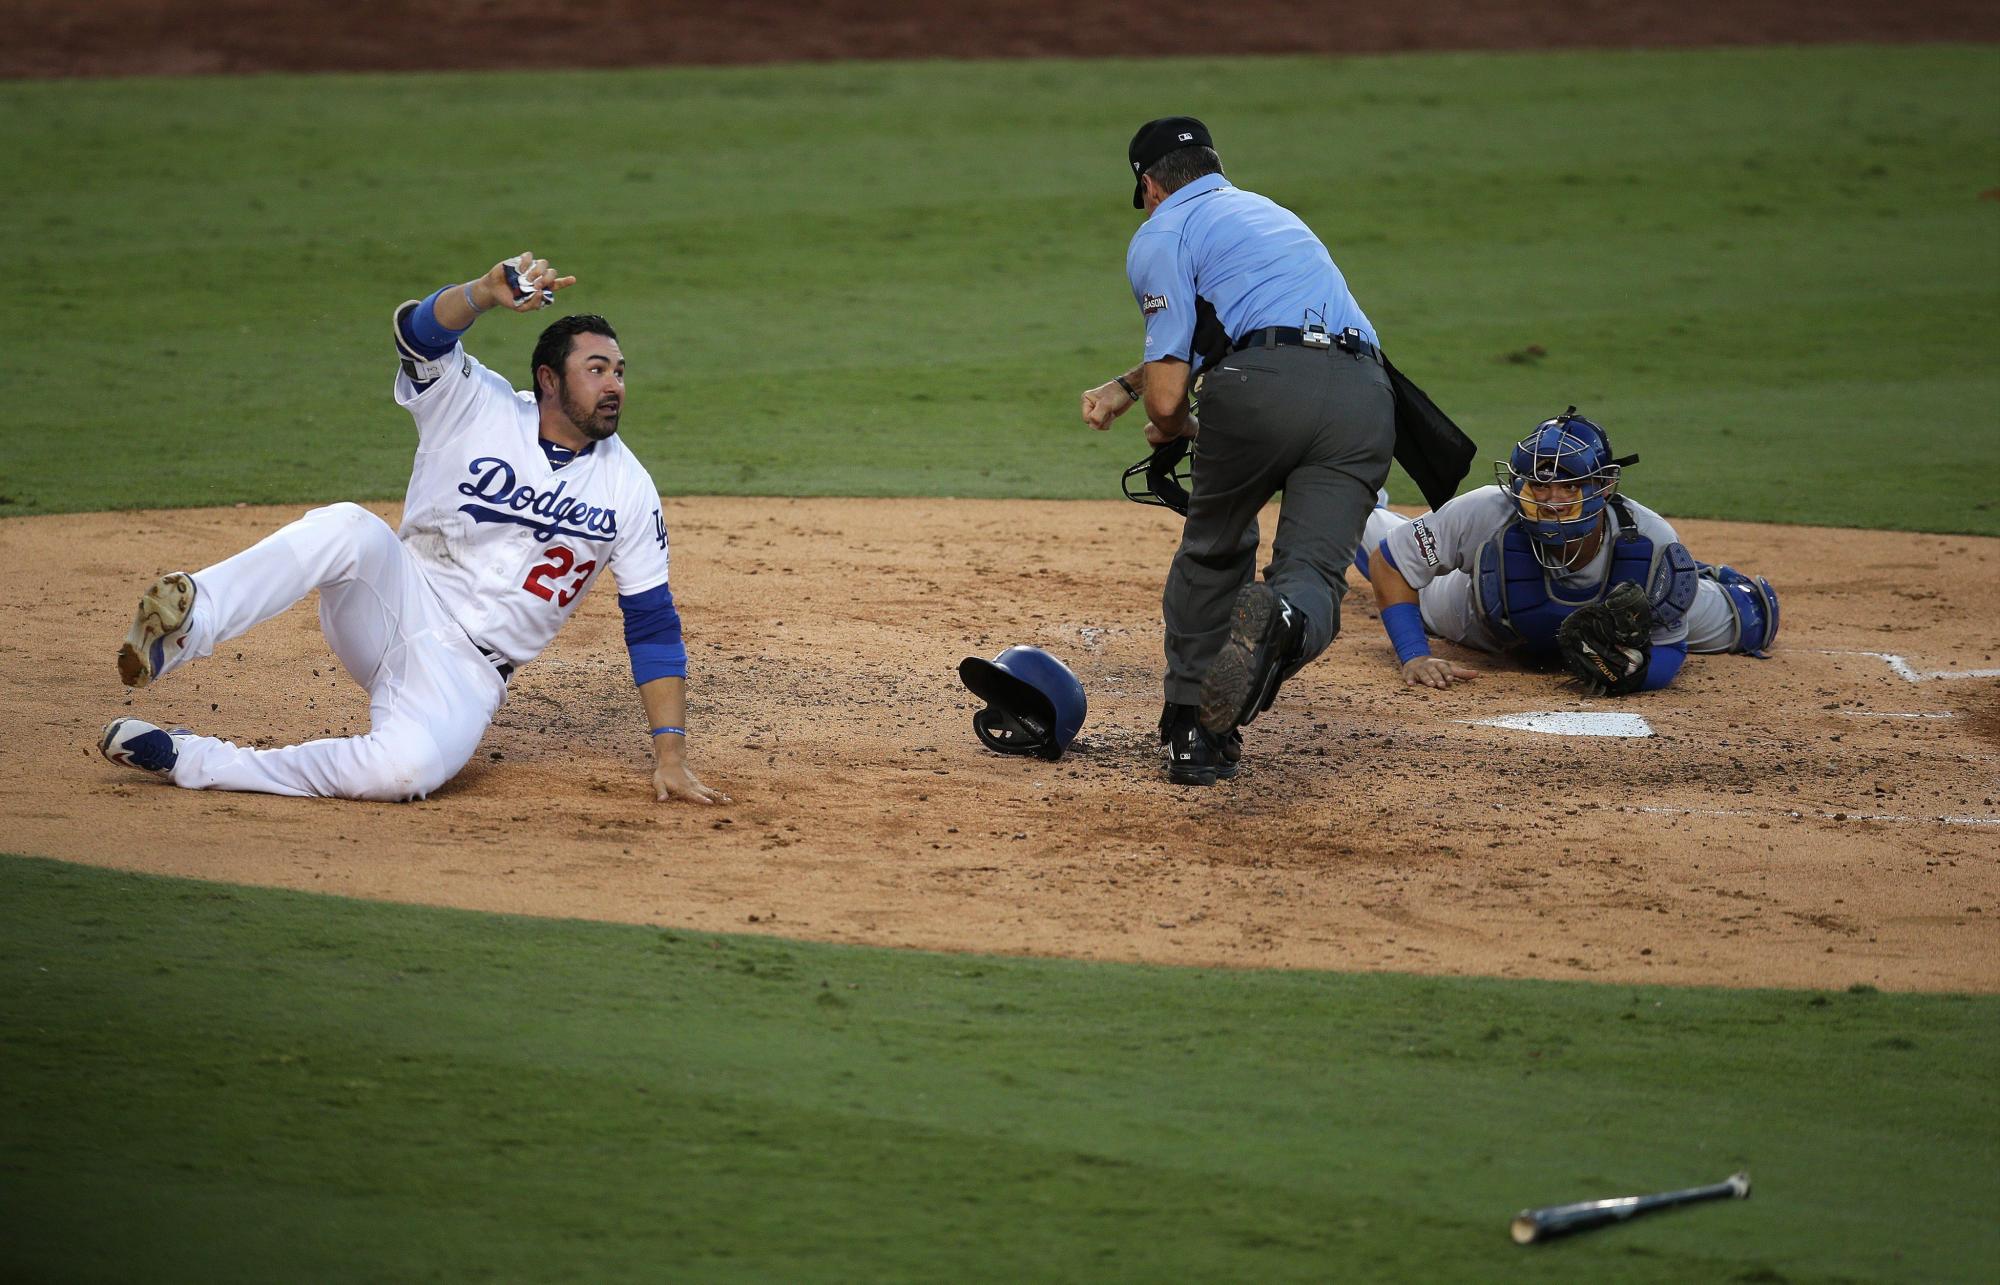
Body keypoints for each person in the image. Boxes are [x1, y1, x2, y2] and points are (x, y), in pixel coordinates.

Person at [99, 251, 728, 805]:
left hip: (468, 676)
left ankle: (192, 760)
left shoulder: (630, 489)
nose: (615, 384)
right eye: (597, 369)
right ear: (548, 379)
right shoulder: (475, 405)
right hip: (394, 602)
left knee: (402, 772)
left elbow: (652, 624)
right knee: (348, 527)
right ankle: (192, 623)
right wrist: (481, 294)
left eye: (619, 371)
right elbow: (418, 338)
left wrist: (671, 754)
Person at [1081, 116, 1396, 786]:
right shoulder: (1271, 215)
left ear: (1150, 185)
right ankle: (1283, 621)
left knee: (1217, 545)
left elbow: (1172, 399)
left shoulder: (1162, 230)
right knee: (1313, 574)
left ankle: (1192, 730)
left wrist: (1174, 424)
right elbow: (1242, 323)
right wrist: (1127, 386)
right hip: (1368, 397)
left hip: (1261, 390)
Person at [1358, 408, 1779, 692]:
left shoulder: (1648, 538)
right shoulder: (1485, 511)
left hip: (1632, 579)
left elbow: (1670, 647)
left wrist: (1635, 676)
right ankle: (1375, 505)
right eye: (1538, 485)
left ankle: (1701, 579)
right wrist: (1414, 655)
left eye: (1569, 486)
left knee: (1753, 619)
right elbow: (1390, 563)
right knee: (1360, 526)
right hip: (1480, 614)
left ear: (1603, 486)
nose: (1550, 500)